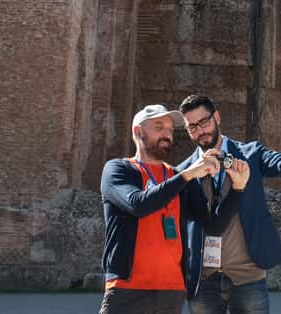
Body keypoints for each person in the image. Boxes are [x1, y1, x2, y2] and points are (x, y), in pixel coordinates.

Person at [178, 94, 281, 314]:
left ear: (216, 117)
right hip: (203, 279)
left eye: (204, 122)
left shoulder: (250, 154)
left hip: (248, 275)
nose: (200, 130)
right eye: (192, 127)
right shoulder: (184, 171)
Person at [99, 103, 250, 314]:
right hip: (127, 289)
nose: (167, 134)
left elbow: (214, 226)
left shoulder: (178, 177)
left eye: (170, 130)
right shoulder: (119, 169)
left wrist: (238, 188)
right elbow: (138, 204)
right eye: (159, 127)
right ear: (138, 131)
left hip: (171, 291)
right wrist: (189, 174)